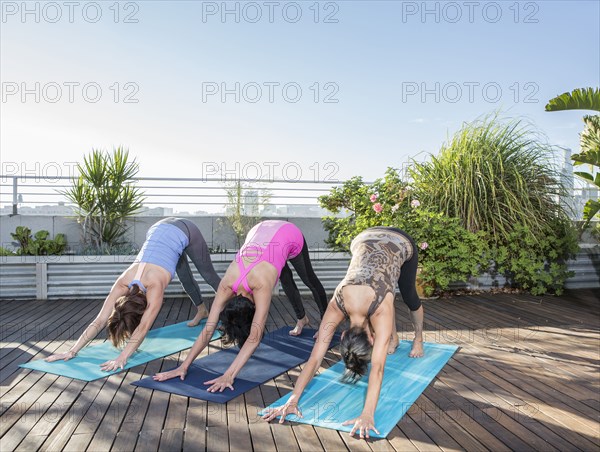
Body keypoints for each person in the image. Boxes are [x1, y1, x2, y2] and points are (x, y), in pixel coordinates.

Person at [262, 227, 424, 439]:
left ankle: (418, 338)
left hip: (400, 241)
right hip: (362, 239)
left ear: (370, 338)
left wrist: (367, 415)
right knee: (386, 300)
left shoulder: (373, 306)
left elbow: (378, 369)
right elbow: (315, 359)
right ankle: (392, 338)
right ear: (345, 335)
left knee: (409, 295)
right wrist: (292, 400)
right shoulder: (337, 303)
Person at [153, 220, 328, 391]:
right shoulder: (225, 286)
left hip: (287, 233)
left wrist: (229, 374)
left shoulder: (260, 286)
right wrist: (183, 366)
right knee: (286, 278)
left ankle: (324, 324)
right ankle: (302, 319)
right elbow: (208, 330)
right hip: (260, 231)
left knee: (308, 279)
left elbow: (254, 336)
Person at [45, 217, 221, 371]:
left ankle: (233, 311)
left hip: (185, 229)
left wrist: (122, 357)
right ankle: (202, 310)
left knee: (208, 275)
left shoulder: (155, 285)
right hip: (157, 229)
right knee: (185, 277)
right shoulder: (123, 282)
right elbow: (99, 320)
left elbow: (143, 327)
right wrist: (72, 350)